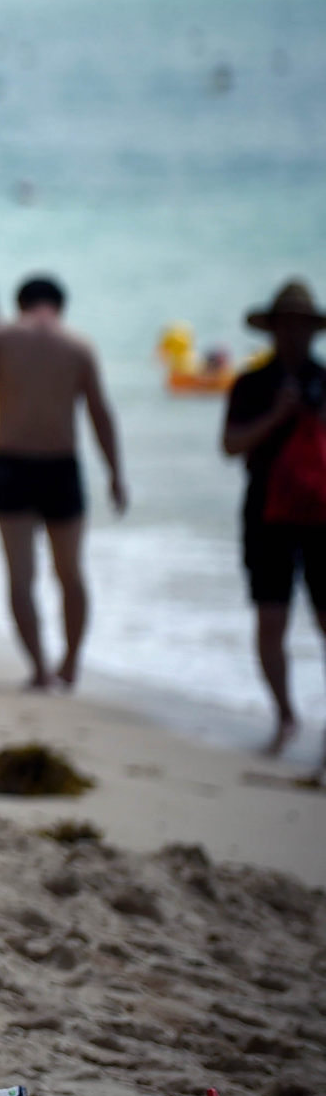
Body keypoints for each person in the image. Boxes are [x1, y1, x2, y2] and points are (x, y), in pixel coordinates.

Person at [0, 275, 127, 691]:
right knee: (71, 573)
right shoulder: (78, 346)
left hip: (13, 467)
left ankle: (40, 669)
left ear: (20, 302)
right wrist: (116, 474)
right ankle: (71, 664)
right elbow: (101, 413)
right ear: (60, 305)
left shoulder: (2, 337)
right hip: (62, 467)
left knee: (20, 576)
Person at [223, 280, 326, 761]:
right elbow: (230, 445)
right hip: (265, 513)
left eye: (302, 325)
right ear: (273, 328)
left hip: (322, 516)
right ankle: (285, 714)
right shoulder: (252, 383)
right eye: (286, 324)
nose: (294, 333)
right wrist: (277, 417)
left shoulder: (324, 382)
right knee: (271, 619)